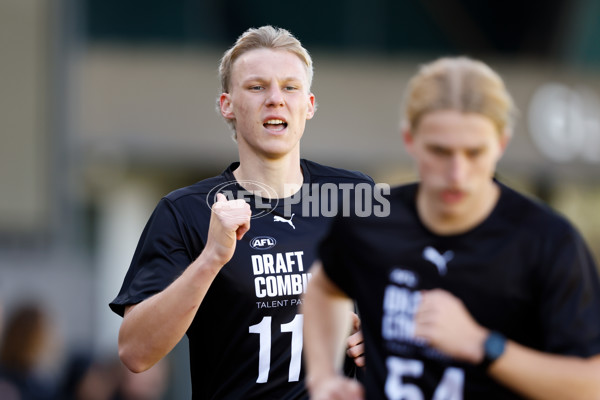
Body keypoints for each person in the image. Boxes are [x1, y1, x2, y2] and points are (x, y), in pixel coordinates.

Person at [302, 56, 600, 399]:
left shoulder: (547, 241)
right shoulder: (370, 221)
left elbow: (590, 385)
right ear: (409, 139)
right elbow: (323, 289)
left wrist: (482, 345)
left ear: (501, 144)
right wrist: (323, 377)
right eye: (440, 151)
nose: (457, 173)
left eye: (474, 152)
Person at [109, 25, 370, 399]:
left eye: (290, 87)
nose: (276, 99)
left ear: (308, 105)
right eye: (257, 87)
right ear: (226, 104)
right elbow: (134, 352)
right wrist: (211, 259)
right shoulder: (186, 213)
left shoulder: (354, 195)